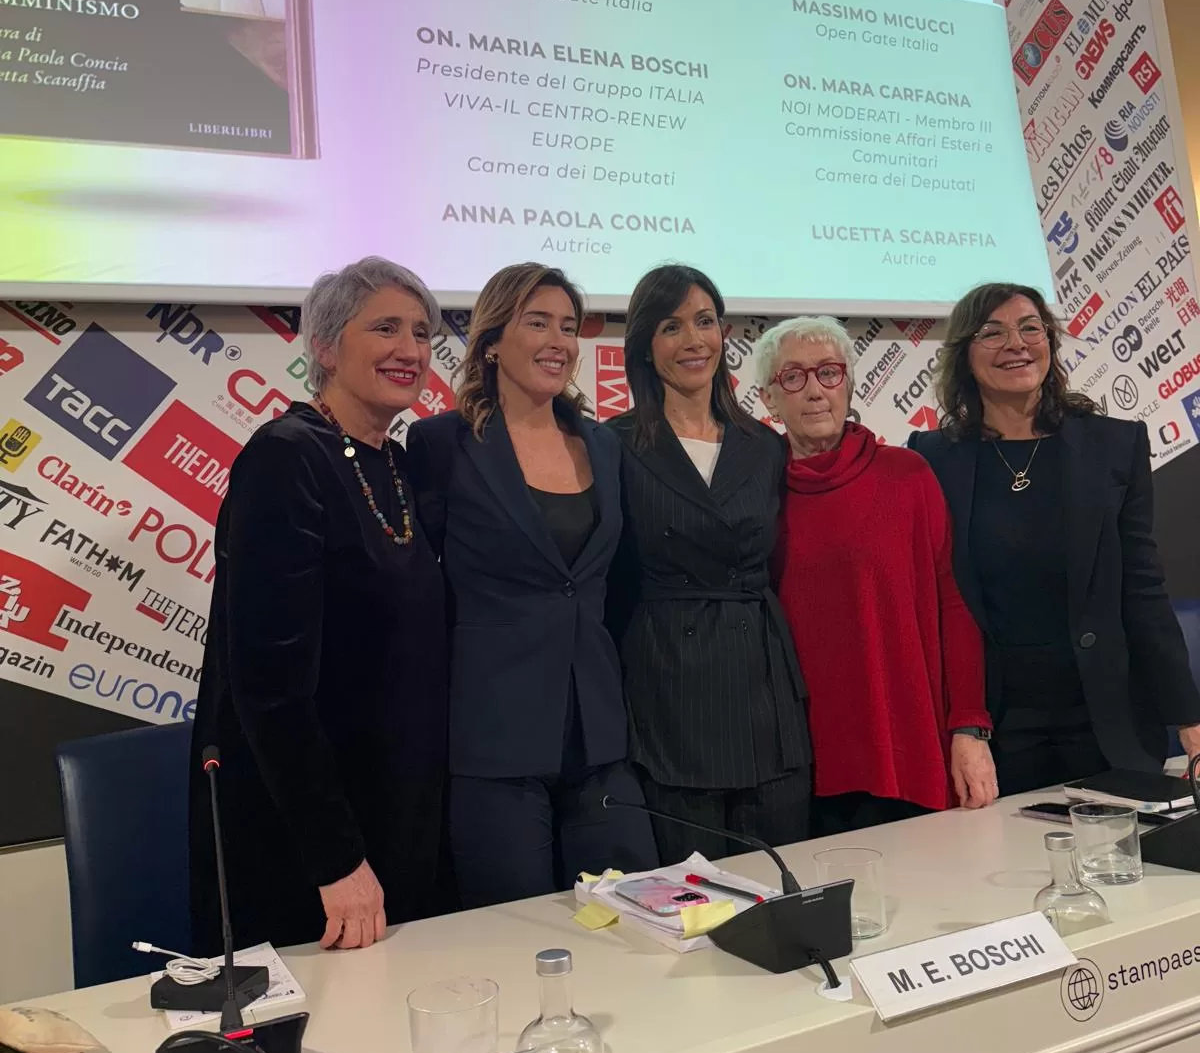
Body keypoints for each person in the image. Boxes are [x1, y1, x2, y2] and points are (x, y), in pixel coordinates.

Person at [190, 257, 450, 953]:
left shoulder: (398, 463)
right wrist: (335, 858)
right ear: (327, 348)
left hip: (398, 814)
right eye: (386, 328)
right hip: (309, 846)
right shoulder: (285, 458)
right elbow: (268, 689)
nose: (410, 349)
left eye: (421, 333)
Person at [406, 263, 658, 908]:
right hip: (495, 740)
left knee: (636, 920)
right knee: (514, 935)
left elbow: (613, 584)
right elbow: (419, 592)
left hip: (599, 737)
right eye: (538, 322)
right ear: (493, 340)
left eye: (568, 328)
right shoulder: (440, 443)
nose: (558, 341)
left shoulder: (603, 444)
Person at [909, 282, 1200, 793]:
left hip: (1106, 718)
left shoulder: (1115, 444)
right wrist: (963, 725)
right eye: (992, 333)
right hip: (997, 728)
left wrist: (1188, 716)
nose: (1016, 344)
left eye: (1030, 328)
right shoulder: (932, 457)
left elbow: (1142, 588)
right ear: (964, 355)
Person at [754, 315, 996, 835]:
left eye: (829, 372)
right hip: (797, 762)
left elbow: (954, 605)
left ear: (848, 384)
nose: (815, 390)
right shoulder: (754, 497)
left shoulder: (908, 476)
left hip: (906, 747)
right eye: (793, 377)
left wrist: (970, 728)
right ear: (768, 398)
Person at [605, 265, 811, 864]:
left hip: (764, 687)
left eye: (704, 322)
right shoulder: (614, 444)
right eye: (672, 327)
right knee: (693, 896)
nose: (694, 340)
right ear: (646, 344)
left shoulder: (764, 445)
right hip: (669, 686)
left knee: (781, 881)